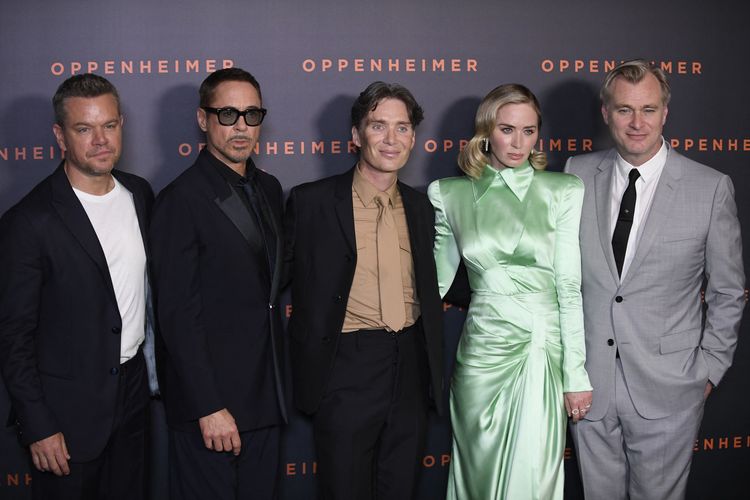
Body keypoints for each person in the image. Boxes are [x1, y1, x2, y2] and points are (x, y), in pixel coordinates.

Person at [565, 59, 745, 500]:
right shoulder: (575, 174)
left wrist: (708, 370)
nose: (637, 122)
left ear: (665, 112)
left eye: (648, 109)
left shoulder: (710, 187)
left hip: (670, 387)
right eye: (624, 109)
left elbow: (727, 291)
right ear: (606, 113)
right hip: (589, 386)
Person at [428, 83, 593, 500]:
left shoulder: (563, 191)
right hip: (481, 358)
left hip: (541, 349)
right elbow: (435, 284)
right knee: (476, 476)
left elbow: (569, 288)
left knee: (534, 477)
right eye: (507, 129)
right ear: (486, 131)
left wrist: (576, 373)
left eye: (529, 131)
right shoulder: (449, 193)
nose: (518, 143)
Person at [283, 81, 444, 499]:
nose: (392, 139)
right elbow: (269, 284)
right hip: (345, 367)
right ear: (355, 136)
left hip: (410, 367)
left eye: (403, 128)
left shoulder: (423, 206)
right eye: (378, 126)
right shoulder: (311, 202)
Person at [0, 73, 156, 499]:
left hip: (133, 396)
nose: (100, 140)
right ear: (60, 135)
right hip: (64, 416)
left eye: (109, 125)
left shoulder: (140, 195)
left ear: (121, 124)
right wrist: (39, 425)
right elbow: (13, 336)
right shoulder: (29, 221)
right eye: (84, 129)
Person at [149, 68, 286, 500]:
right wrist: (208, 405)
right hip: (211, 407)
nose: (241, 126)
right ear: (202, 119)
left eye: (251, 114)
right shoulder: (180, 199)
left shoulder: (270, 187)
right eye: (227, 114)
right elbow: (176, 314)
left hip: (267, 396)